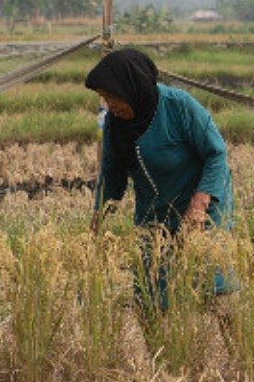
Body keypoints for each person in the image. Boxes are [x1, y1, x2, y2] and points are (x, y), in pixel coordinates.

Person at [86, 48, 235, 302]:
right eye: (104, 98)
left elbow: (216, 154)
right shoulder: (115, 123)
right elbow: (112, 174)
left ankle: (236, 341)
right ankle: (168, 344)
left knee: (215, 291)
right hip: (154, 215)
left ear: (132, 87)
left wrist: (199, 204)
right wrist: (99, 216)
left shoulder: (179, 106)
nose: (109, 105)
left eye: (113, 97)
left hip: (201, 207)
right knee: (151, 297)